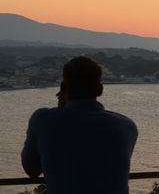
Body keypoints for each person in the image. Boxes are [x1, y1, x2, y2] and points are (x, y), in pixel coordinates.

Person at [21, 56, 138, 194]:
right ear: (100, 90)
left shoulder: (42, 119)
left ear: (63, 88)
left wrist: (60, 110)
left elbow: (32, 170)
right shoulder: (127, 126)